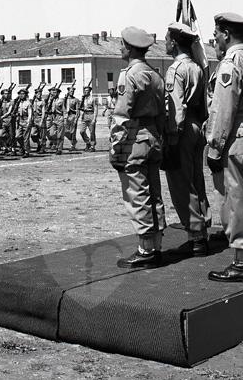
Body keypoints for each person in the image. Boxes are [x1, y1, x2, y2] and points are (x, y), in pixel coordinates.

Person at [206, 13, 243, 282]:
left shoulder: (230, 63)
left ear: (226, 34)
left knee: (237, 199)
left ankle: (242, 263)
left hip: (236, 134)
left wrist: (215, 147)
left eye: (217, 34)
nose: (215, 39)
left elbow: (223, 109)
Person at [109, 27, 166, 268]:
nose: (120, 48)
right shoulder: (155, 75)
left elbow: (122, 115)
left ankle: (145, 250)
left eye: (122, 44)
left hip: (134, 138)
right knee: (154, 194)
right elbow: (163, 113)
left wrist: (115, 147)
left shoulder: (129, 75)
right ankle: (157, 245)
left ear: (130, 48)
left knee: (138, 195)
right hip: (153, 136)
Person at [163, 22, 210, 255]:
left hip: (182, 129)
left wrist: (172, 138)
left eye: (167, 39)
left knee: (182, 184)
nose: (165, 43)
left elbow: (176, 108)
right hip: (197, 126)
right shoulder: (197, 67)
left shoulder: (176, 69)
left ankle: (196, 236)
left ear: (174, 43)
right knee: (196, 180)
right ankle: (203, 227)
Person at [79, 86, 99, 151]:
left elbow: (96, 109)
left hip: (91, 114)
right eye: (85, 90)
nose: (86, 92)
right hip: (84, 115)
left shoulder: (93, 99)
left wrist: (94, 118)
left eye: (87, 90)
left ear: (90, 91)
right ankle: (88, 142)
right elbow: (80, 107)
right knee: (82, 131)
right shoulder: (83, 99)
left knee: (92, 131)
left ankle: (92, 146)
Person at [14, 88, 33, 157]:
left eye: (23, 94)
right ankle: (22, 147)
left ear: (26, 95)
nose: (21, 95)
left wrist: (29, 122)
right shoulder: (18, 103)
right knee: (18, 136)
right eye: (20, 94)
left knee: (26, 138)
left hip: (26, 120)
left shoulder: (28, 103)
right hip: (19, 121)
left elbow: (30, 113)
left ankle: (26, 151)